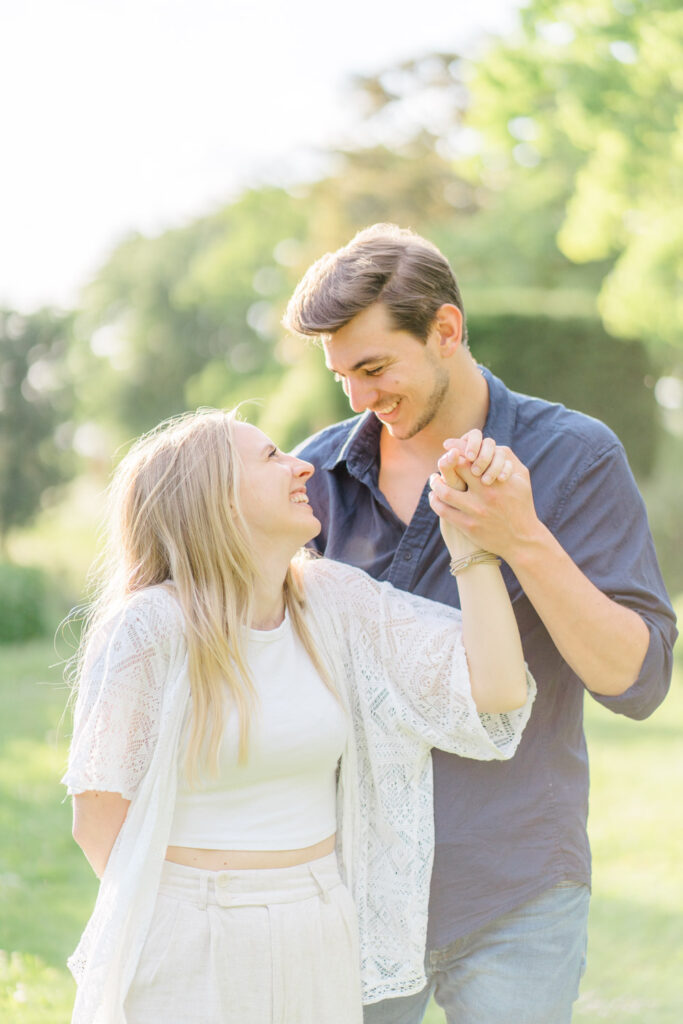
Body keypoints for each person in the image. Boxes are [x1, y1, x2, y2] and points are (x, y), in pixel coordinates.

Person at [283, 223, 678, 1024]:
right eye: (341, 377)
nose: (358, 400)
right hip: (348, 882)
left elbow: (635, 682)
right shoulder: (312, 478)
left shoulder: (576, 457)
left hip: (515, 886)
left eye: (373, 368)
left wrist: (520, 537)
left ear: (446, 329)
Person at [62, 407, 535, 1024]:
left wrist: (472, 552)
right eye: (270, 457)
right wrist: (194, 911)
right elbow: (99, 818)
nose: (303, 466)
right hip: (187, 937)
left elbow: (497, 688)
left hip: (318, 925)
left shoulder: (331, 602)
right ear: (214, 498)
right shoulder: (151, 626)